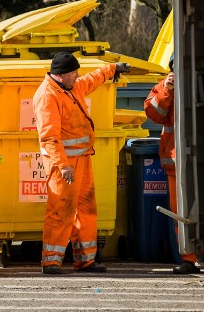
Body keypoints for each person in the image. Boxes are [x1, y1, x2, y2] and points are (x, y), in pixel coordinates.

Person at [33, 51, 130, 274]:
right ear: (62, 75)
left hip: (82, 159)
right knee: (61, 210)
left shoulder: (70, 86)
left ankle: (85, 260)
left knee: (86, 209)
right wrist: (63, 165)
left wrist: (112, 69)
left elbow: (92, 79)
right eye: (74, 72)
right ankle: (51, 261)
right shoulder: (47, 96)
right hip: (63, 165)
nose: (78, 76)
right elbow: (49, 137)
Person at [144, 55, 204, 274]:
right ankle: (188, 257)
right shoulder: (164, 87)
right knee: (181, 212)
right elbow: (154, 114)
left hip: (203, 159)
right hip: (176, 162)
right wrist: (168, 89)